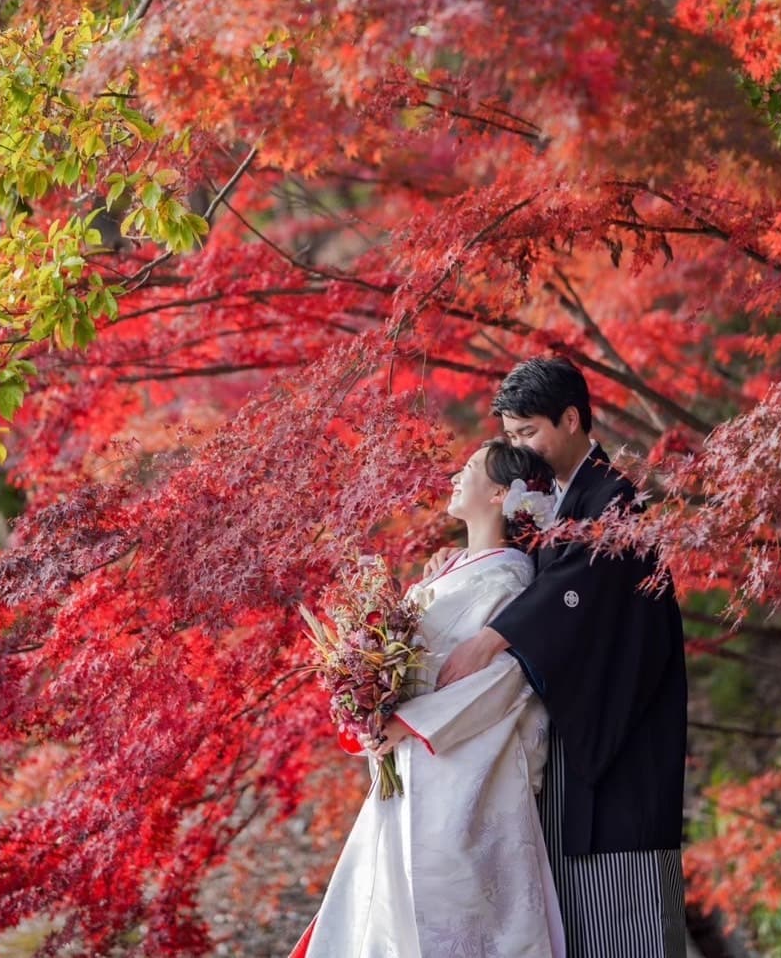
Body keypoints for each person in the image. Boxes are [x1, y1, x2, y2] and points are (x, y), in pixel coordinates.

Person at [437, 356, 687, 958]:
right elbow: (517, 572)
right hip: (576, 736)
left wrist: (494, 636)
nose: (521, 447)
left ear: (571, 418)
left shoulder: (613, 497)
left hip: (622, 730)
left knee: (628, 917)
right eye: (511, 435)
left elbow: (580, 584)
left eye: (528, 432)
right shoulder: (551, 503)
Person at [290, 441, 566, 958]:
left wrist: (410, 724)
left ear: (502, 494)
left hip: (465, 772)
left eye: (468, 470)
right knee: (388, 912)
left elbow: (505, 679)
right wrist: (373, 708)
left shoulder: (510, 578)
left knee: (453, 916)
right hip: (412, 764)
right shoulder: (451, 568)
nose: (455, 477)